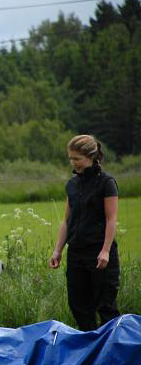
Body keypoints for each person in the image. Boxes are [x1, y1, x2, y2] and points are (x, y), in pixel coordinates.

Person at [49, 134, 120, 331]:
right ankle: (90, 349)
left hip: (100, 254)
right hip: (77, 254)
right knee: (78, 305)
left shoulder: (107, 183)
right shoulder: (72, 185)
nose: (73, 163)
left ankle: (111, 353)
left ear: (91, 157)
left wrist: (105, 250)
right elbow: (66, 221)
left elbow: (111, 219)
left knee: (106, 308)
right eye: (70, 158)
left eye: (77, 159)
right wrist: (58, 250)